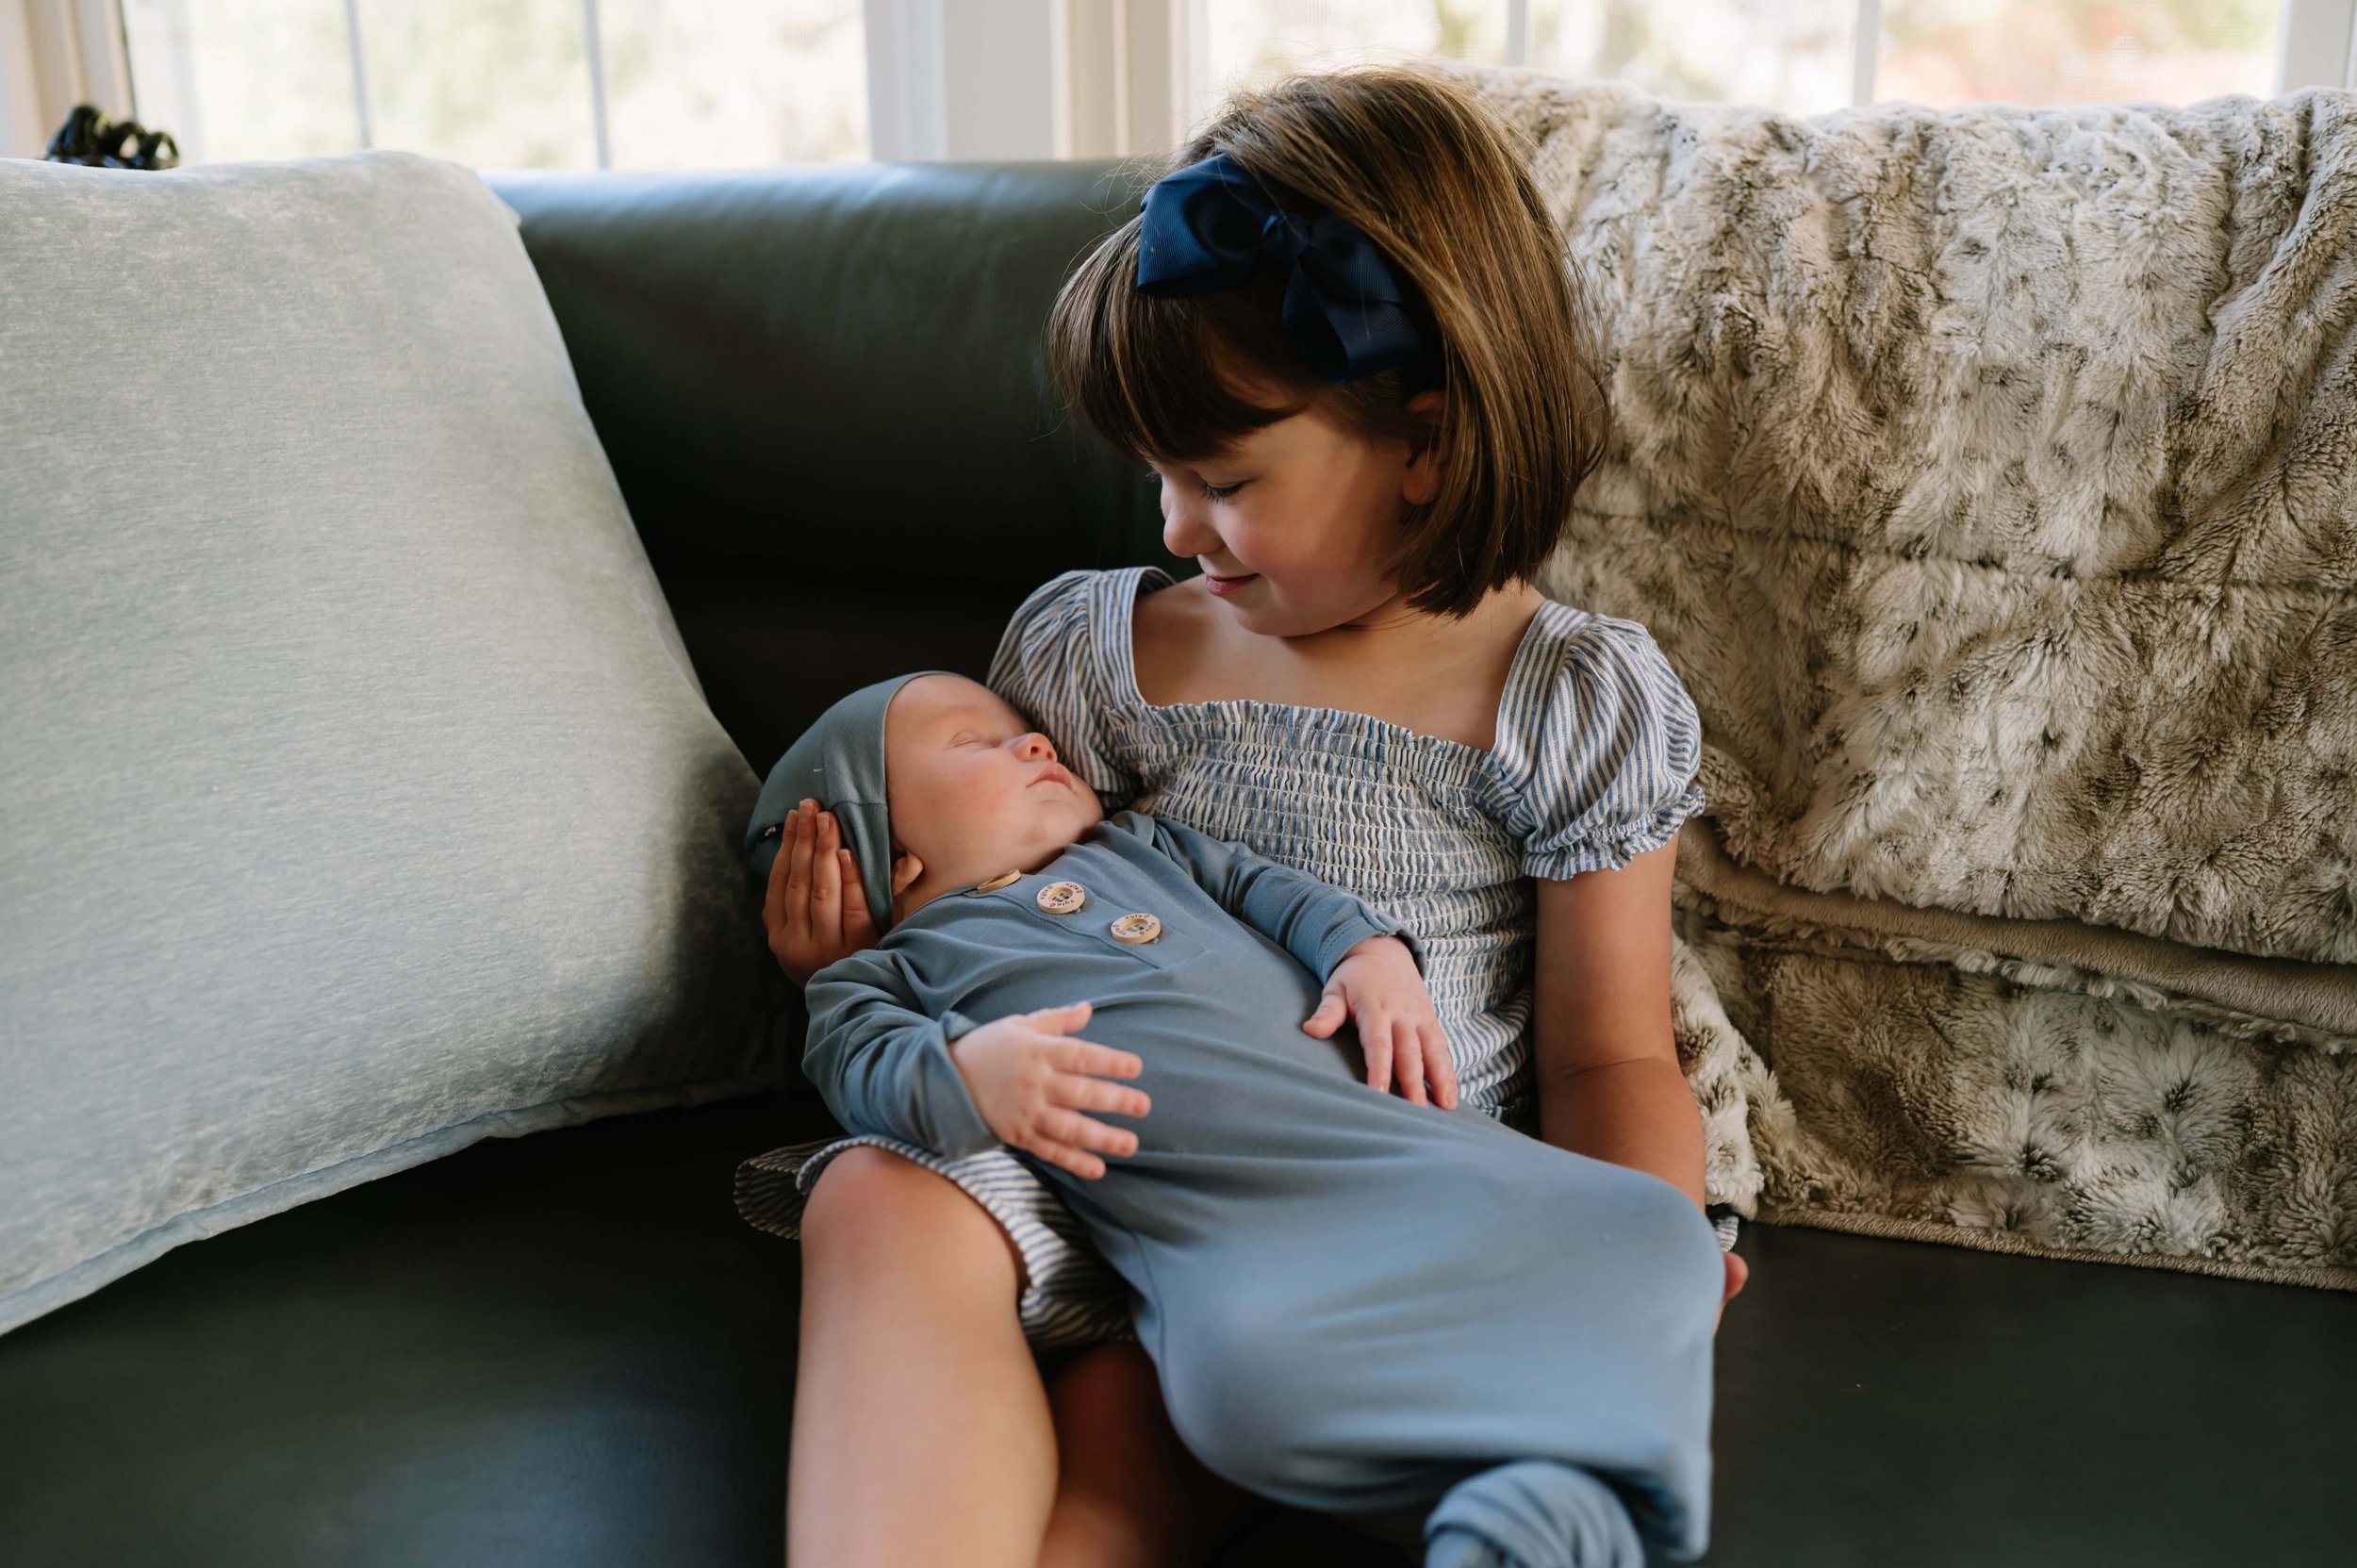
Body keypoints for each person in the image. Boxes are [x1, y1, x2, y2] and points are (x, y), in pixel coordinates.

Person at [750, 62, 1751, 1568]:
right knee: (879, 1200)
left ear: (1424, 439)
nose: (1169, 527)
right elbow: (987, 905)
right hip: (1067, 1149)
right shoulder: (1094, 653)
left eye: (1220, 477)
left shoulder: (1569, 695)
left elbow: (1608, 1047)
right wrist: (845, 957)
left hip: (1355, 1193)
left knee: (1144, 1419)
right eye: (1153, 474)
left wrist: (1619, 1262)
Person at [750, 668, 1723, 1568]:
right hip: (1238, 1235)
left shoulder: (1145, 843)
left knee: (1655, 1232)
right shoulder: (887, 972)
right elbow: (857, 1063)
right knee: (1249, 1374)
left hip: (1414, 1156)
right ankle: (1543, 1506)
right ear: (889, 855)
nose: (1037, 745)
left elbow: (1274, 891)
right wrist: (965, 1072)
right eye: (976, 744)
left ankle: (1551, 1504)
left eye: (1030, 733)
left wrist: (1365, 952)